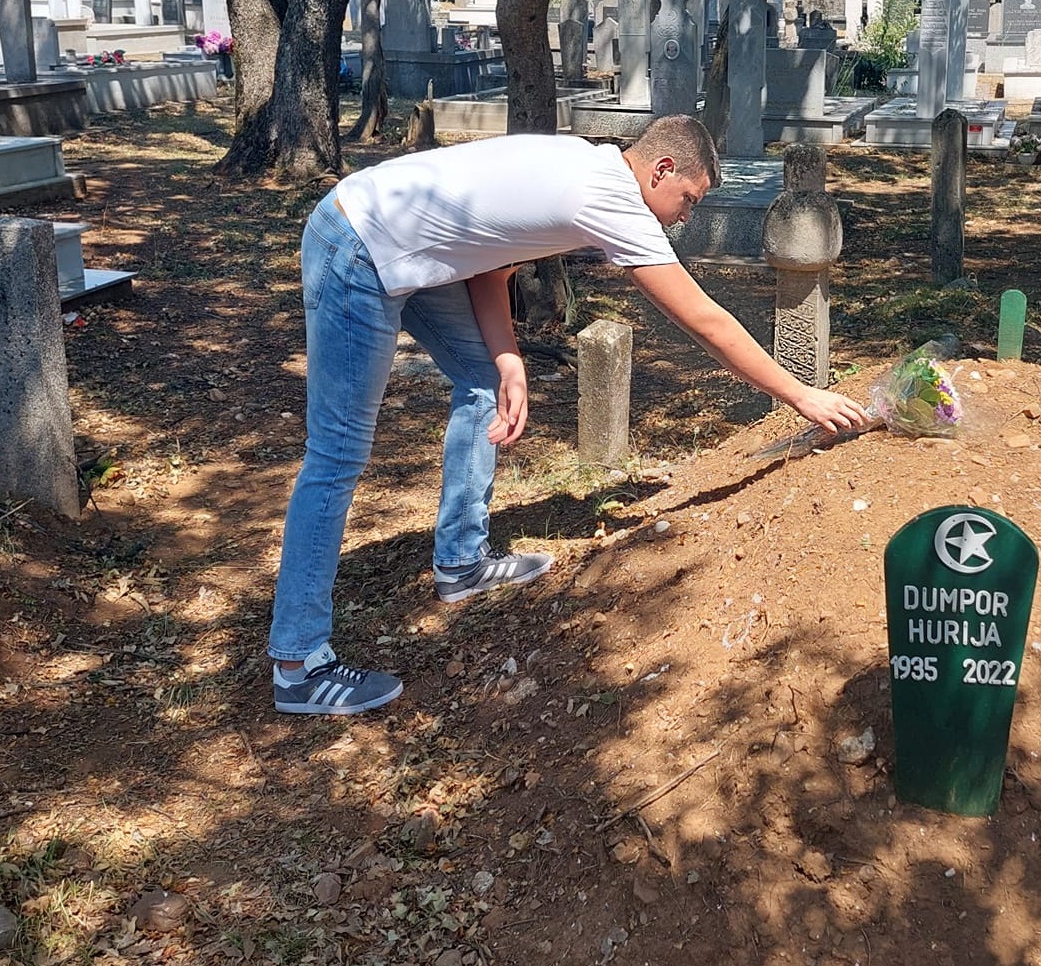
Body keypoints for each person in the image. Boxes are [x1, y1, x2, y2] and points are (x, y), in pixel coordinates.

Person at [269, 115, 870, 715]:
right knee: (337, 453)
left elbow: (492, 265)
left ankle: (461, 562)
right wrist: (802, 395)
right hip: (358, 244)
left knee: (483, 384)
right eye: (689, 199)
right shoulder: (610, 199)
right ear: (661, 170)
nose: (686, 216)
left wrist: (507, 361)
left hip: (402, 242)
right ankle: (298, 665)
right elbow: (704, 320)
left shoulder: (590, 164)